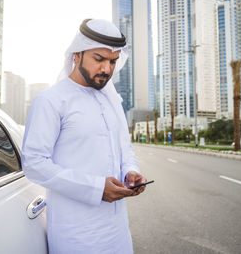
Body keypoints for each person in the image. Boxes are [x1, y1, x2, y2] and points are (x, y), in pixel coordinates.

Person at [22, 19, 147, 254]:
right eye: (99, 59)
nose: (107, 69)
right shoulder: (51, 101)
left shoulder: (112, 101)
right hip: (76, 235)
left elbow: (125, 149)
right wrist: (97, 188)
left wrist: (131, 171)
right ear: (77, 55)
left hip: (118, 231)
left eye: (113, 61)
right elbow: (34, 164)